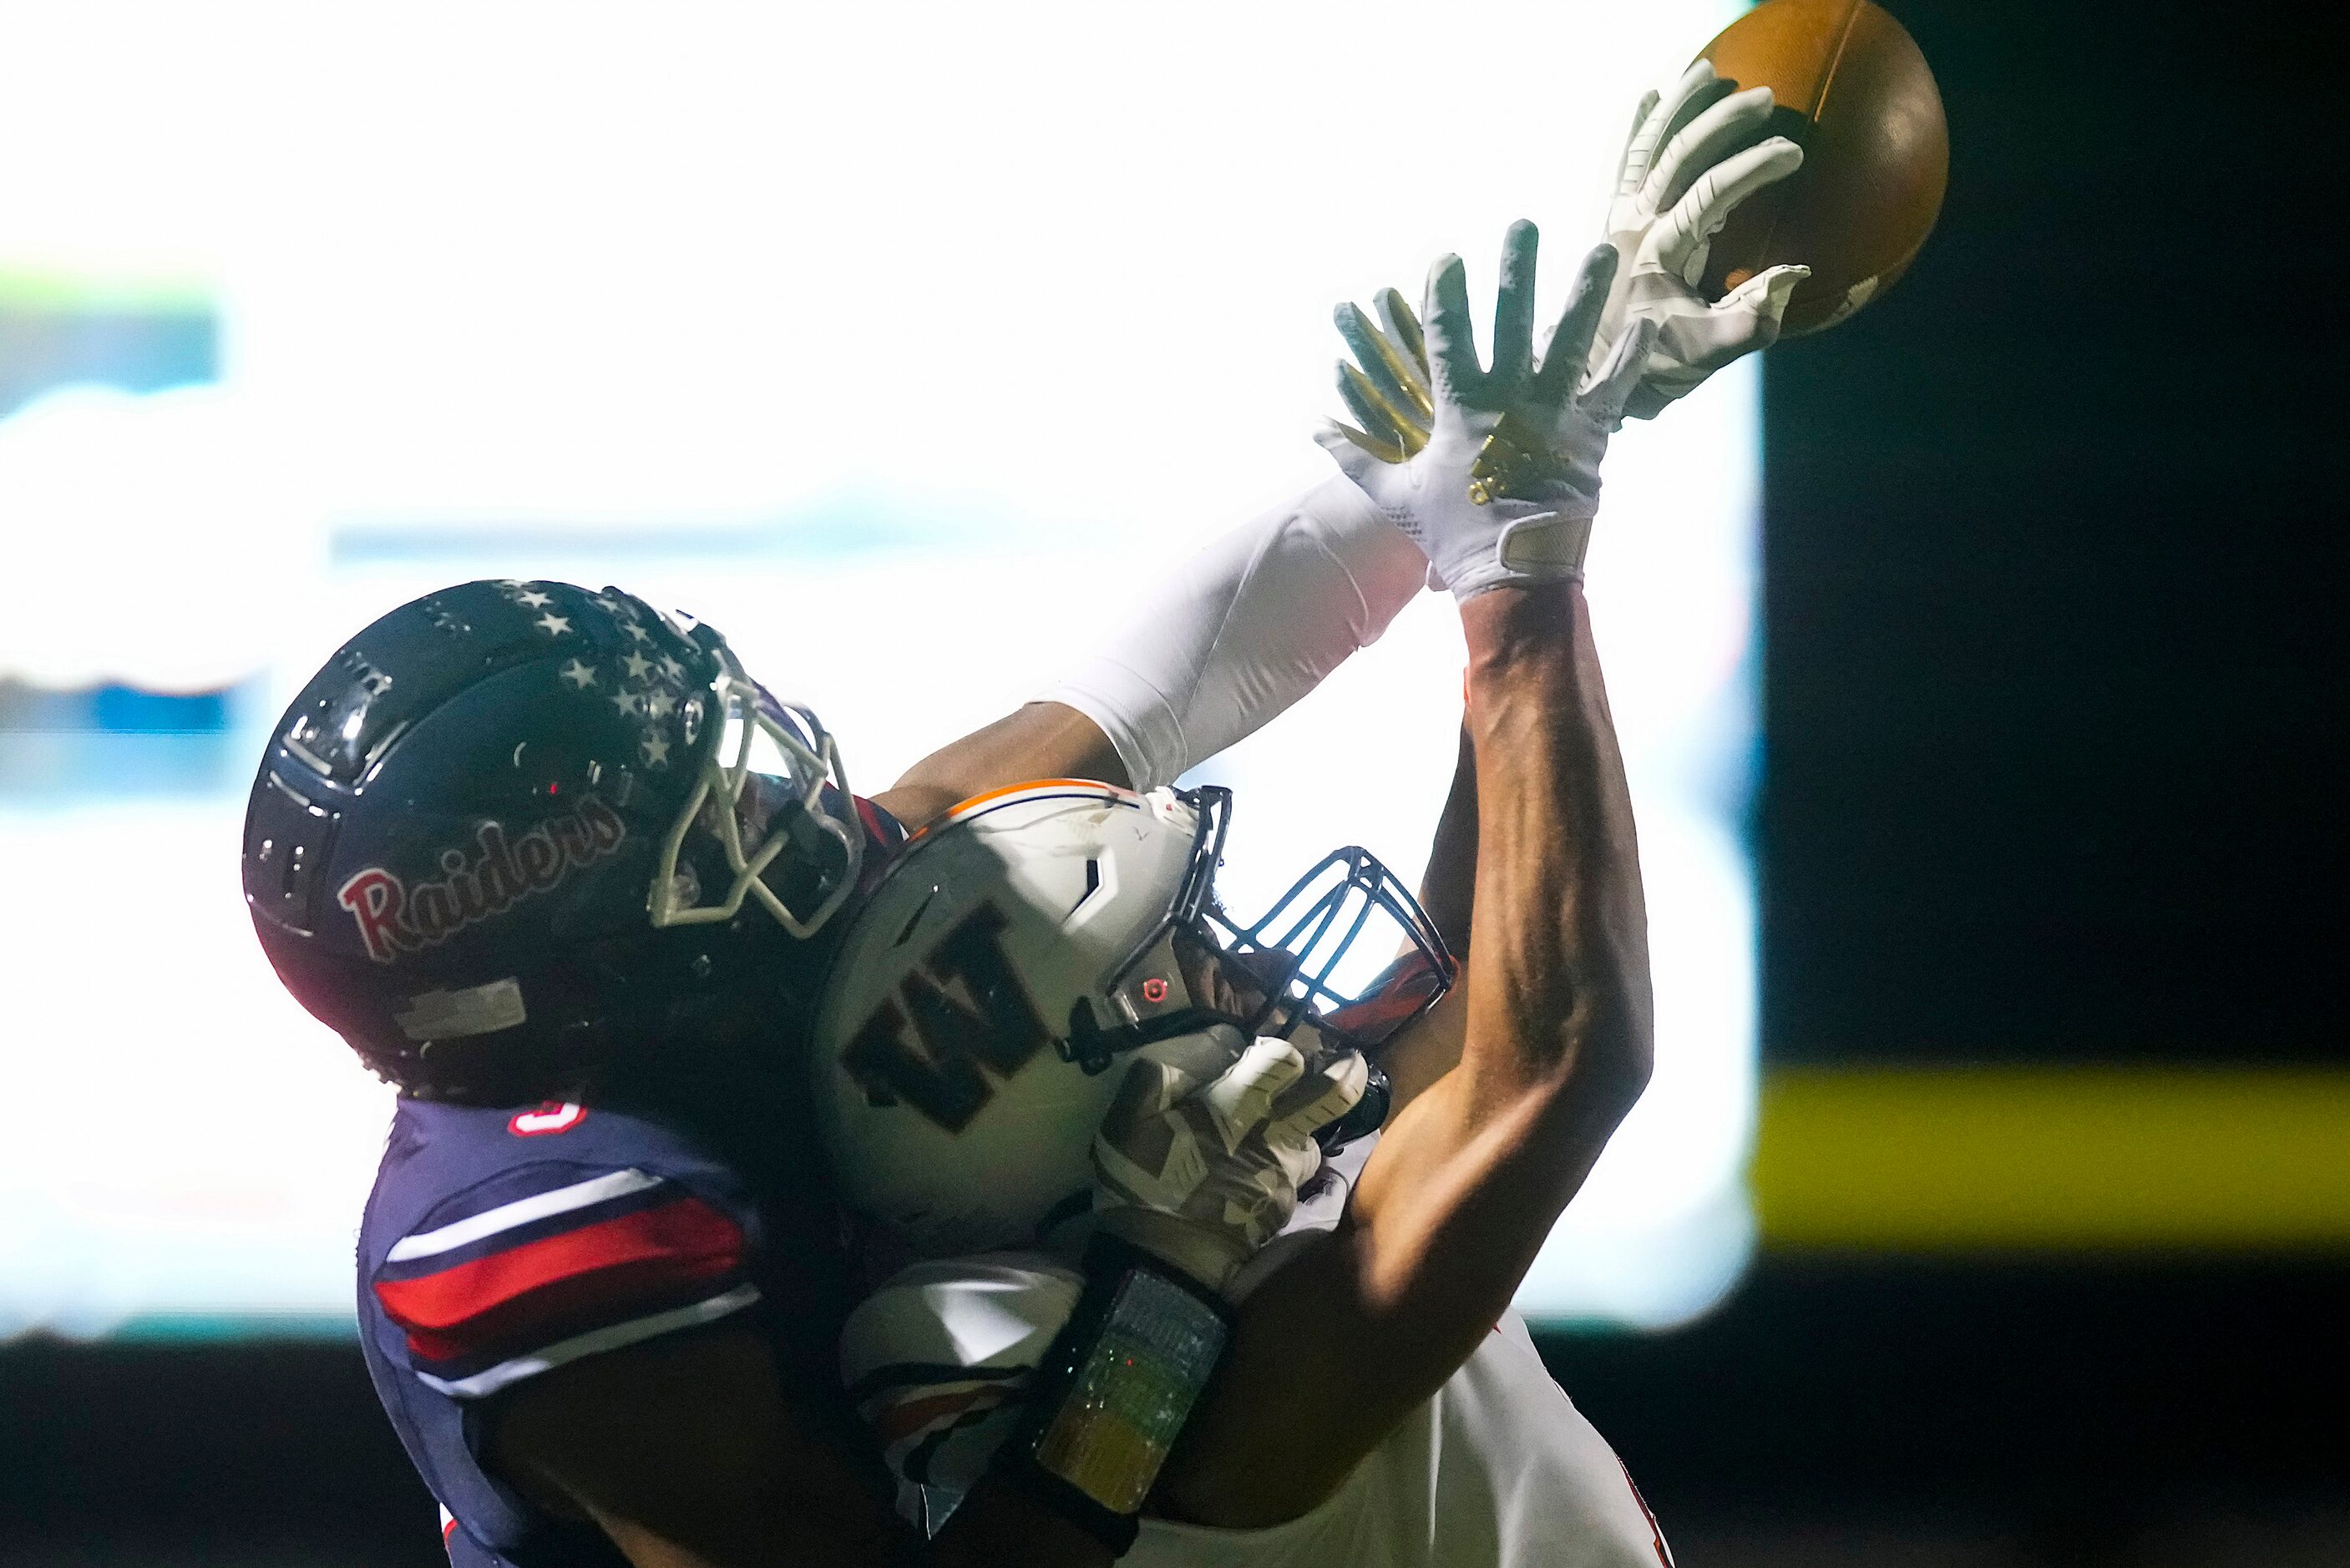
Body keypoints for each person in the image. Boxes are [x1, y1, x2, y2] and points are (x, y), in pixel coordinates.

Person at [240, 59, 1795, 1567]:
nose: (812, 816)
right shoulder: (559, 1245)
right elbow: (1545, 1062)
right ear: (595, 976)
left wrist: (1475, 455)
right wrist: (1160, 1302)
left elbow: (1143, 693)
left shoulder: (845, 999)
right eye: (1167, 973)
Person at [830, 62, 1806, 1566]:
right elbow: (1547, 1063)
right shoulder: (1081, 1365)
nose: (1249, 968)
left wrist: (1550, 441)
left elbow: (1469, 1011)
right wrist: (1522, 573)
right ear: (1080, 1124)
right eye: (1196, 963)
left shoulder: (1083, 1205)